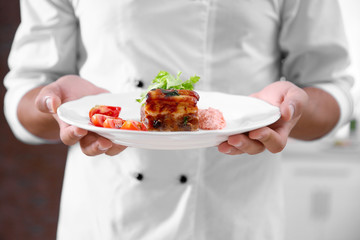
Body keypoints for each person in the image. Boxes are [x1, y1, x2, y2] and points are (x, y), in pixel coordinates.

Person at [3, 0, 355, 239]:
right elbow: (26, 93)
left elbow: (332, 89)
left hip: (233, 215)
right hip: (106, 215)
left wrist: (288, 110)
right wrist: (59, 105)